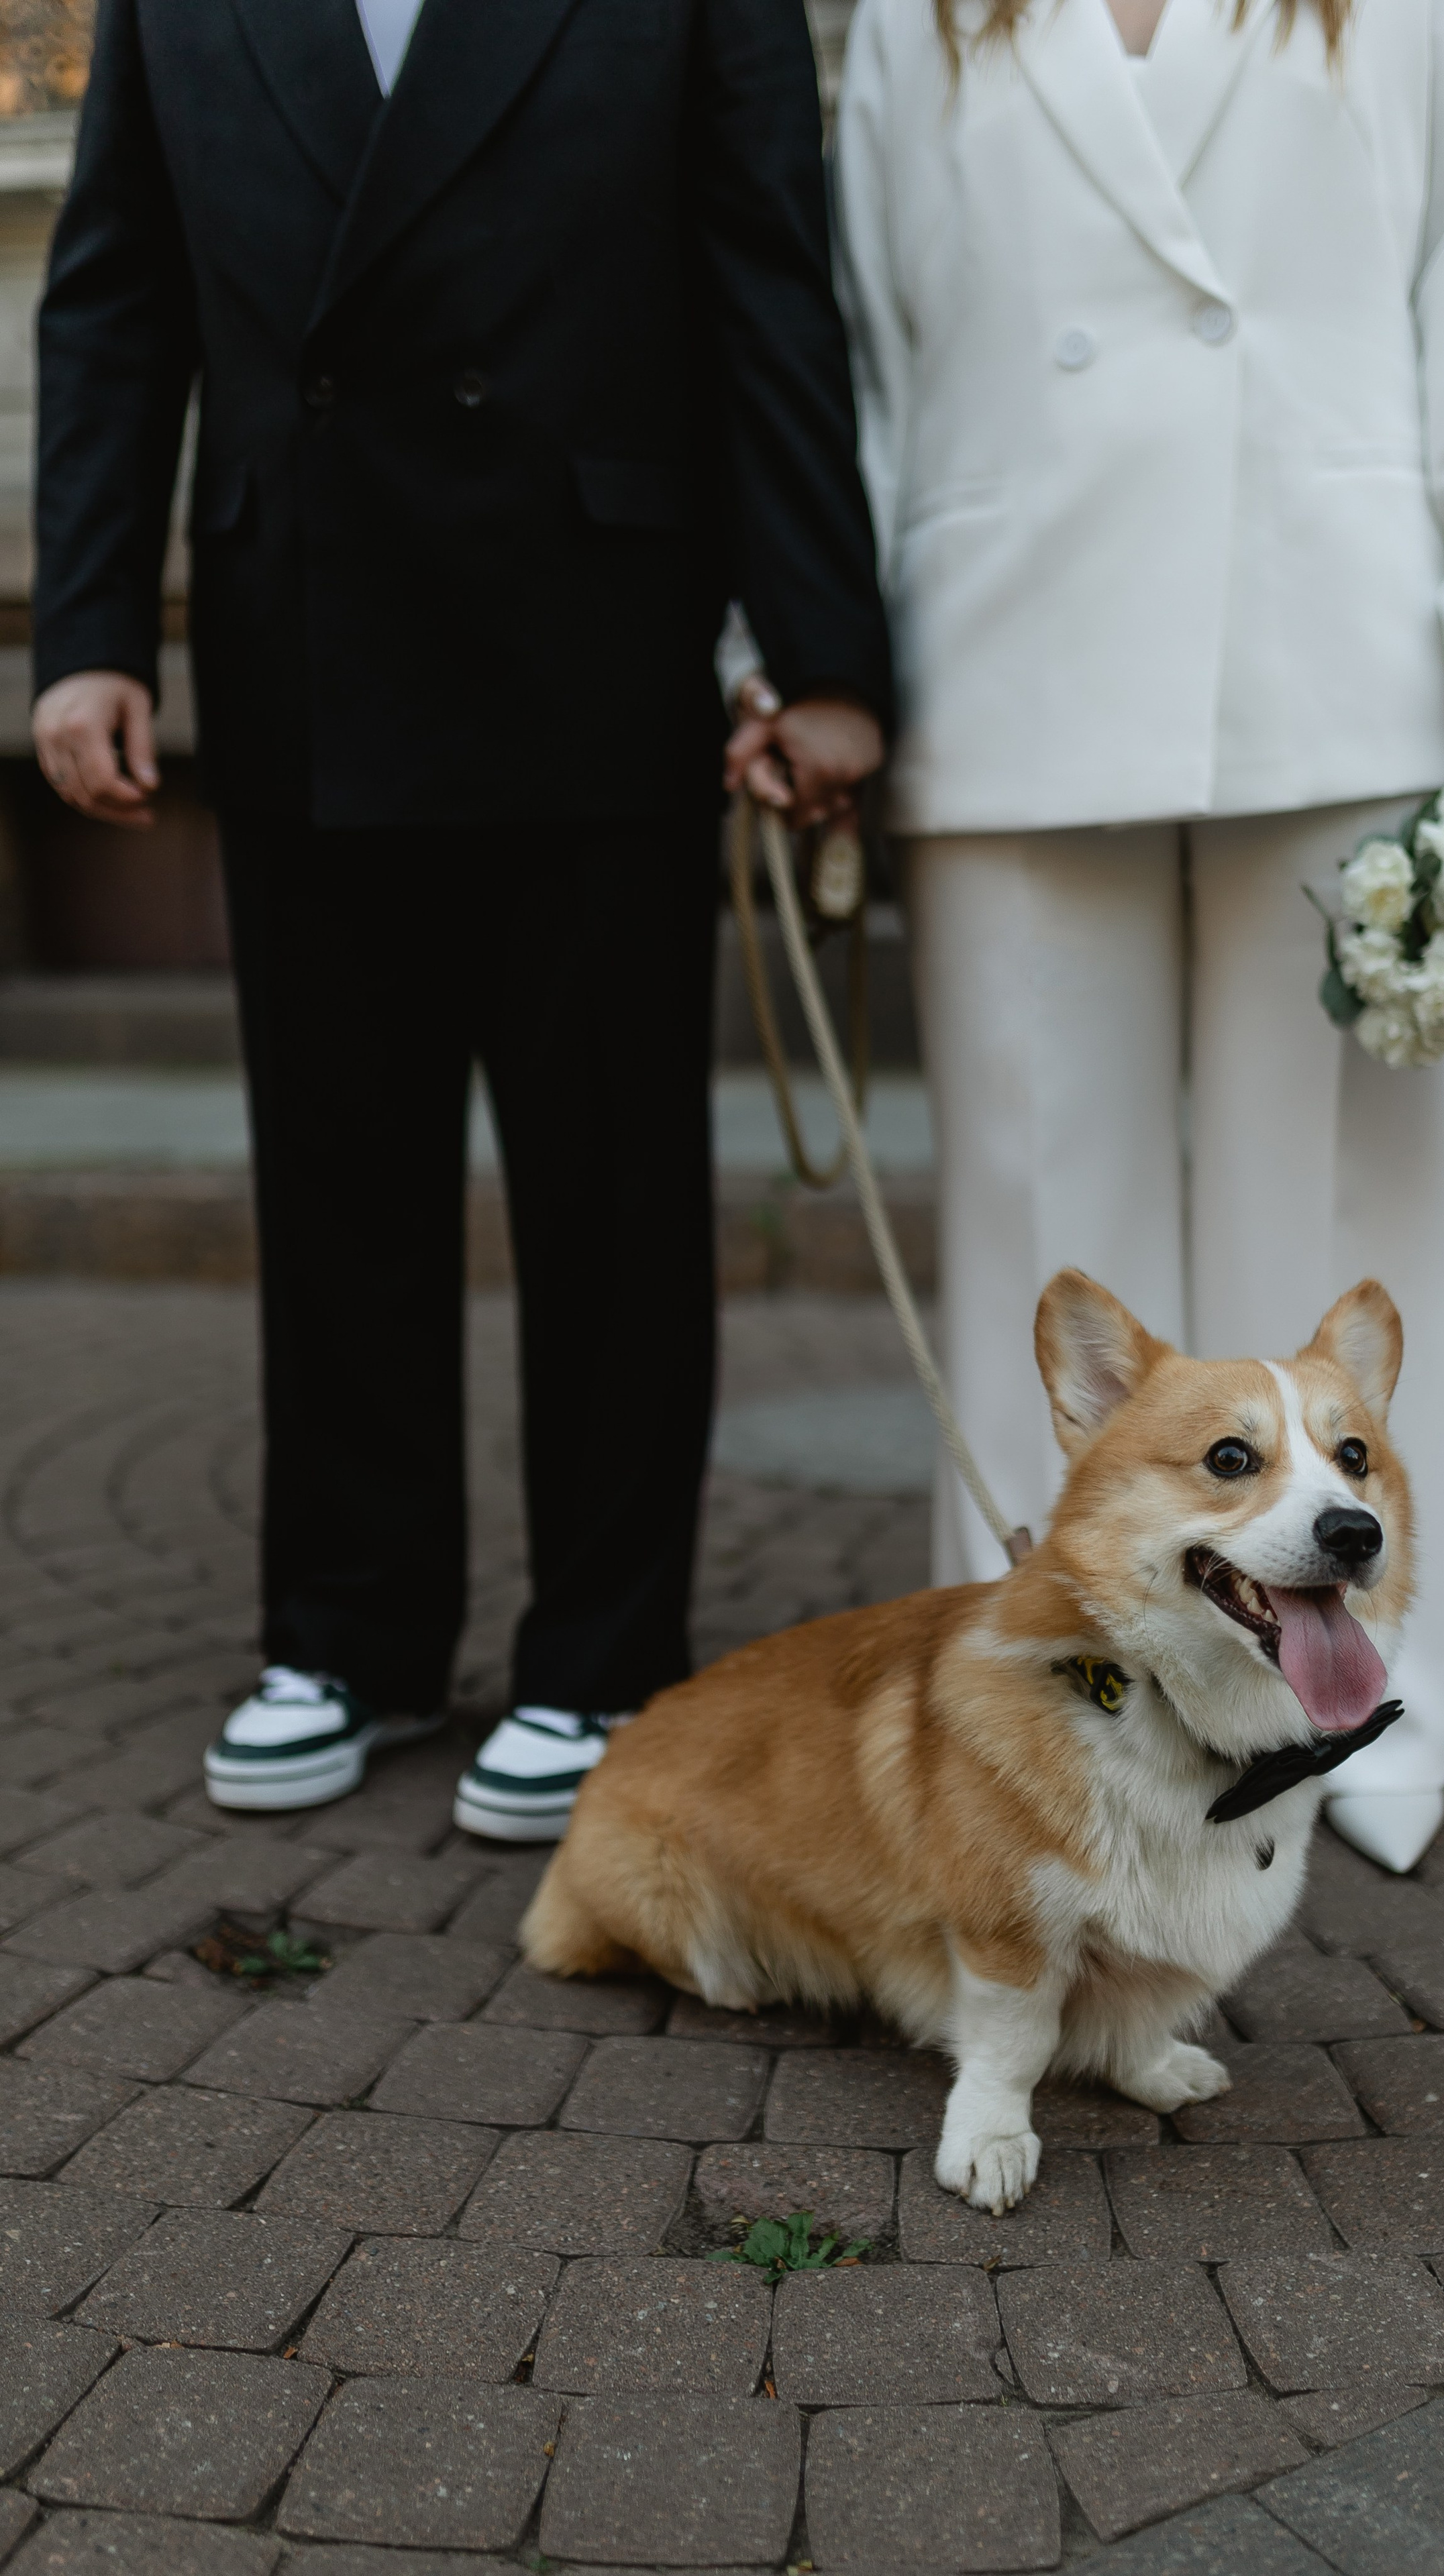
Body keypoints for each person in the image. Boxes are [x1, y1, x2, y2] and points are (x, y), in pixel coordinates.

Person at [32, 0, 891, 1839]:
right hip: (300, 638)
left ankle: (604, 1651)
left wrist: (822, 650)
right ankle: (350, 1632)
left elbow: (768, 288)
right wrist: (90, 630)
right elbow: (116, 298)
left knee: (611, 1189)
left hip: (593, 634)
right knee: (338, 1174)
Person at [833, 0, 1444, 1870]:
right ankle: (1051, 1710)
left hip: (1340, 636)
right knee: (1045, 1240)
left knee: (1343, 1227)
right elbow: (871, 342)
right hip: (1005, 642)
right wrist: (819, 654)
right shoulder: (914, 13)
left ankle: (1353, 1700)